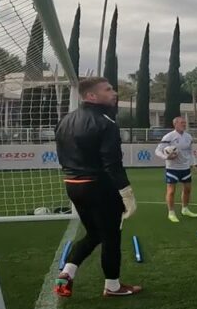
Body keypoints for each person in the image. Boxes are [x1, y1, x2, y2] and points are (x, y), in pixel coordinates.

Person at [54, 77, 141, 297]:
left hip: (73, 185)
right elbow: (112, 163)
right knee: (111, 237)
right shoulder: (105, 123)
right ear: (91, 96)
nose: (114, 93)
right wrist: (126, 193)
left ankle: (67, 272)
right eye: (108, 89)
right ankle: (113, 286)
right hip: (98, 186)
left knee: (94, 234)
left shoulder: (65, 120)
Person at [156, 116, 197, 223]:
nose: (184, 124)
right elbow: (157, 151)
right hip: (172, 168)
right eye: (182, 123)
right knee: (171, 191)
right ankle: (171, 213)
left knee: (188, 189)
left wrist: (194, 163)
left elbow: (190, 151)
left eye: (185, 122)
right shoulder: (169, 136)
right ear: (175, 124)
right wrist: (166, 157)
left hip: (185, 168)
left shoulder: (188, 137)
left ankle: (185, 209)